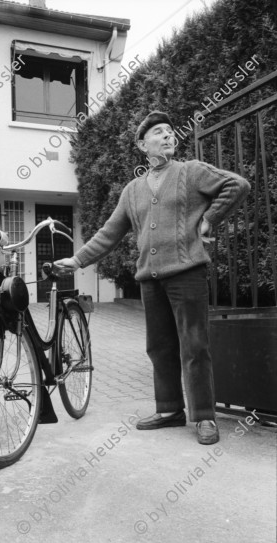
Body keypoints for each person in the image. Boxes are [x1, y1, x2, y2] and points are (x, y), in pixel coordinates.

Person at [54, 111, 250, 445]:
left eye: (171, 132)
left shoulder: (191, 172)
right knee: (159, 348)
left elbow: (237, 185)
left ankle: (203, 416)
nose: (168, 136)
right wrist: (77, 260)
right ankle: (170, 409)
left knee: (194, 345)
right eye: (159, 133)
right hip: (150, 279)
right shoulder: (132, 191)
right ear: (143, 145)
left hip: (187, 273)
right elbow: (109, 232)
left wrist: (209, 220)